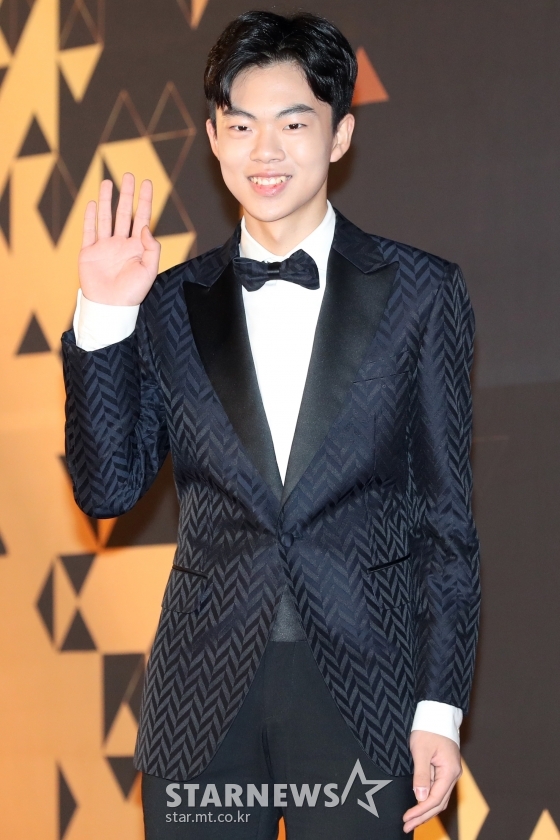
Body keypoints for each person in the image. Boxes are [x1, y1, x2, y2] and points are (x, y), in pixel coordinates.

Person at [62, 10, 480, 839]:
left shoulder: (421, 293)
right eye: (242, 124)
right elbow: (107, 489)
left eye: (293, 124)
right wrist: (104, 316)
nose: (266, 151)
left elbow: (447, 523)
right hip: (201, 701)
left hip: (365, 692)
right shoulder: (168, 303)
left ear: (339, 135)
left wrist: (439, 708)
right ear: (214, 139)